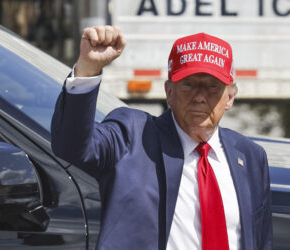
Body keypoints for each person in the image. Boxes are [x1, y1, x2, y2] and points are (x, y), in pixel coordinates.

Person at [51, 26, 272, 250]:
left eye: (212, 87)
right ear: (169, 93)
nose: (199, 97)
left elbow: (260, 241)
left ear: (230, 98)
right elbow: (72, 146)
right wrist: (88, 70)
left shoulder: (251, 157)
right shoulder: (133, 135)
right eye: (188, 84)